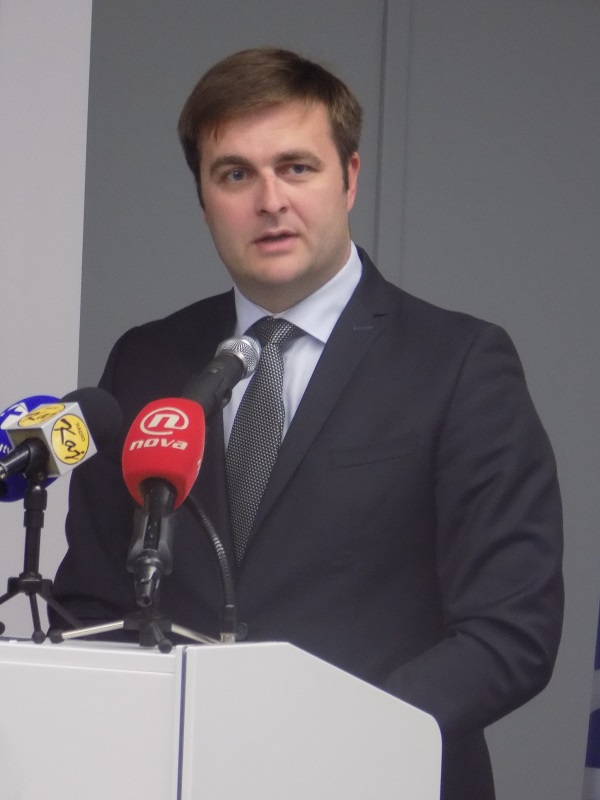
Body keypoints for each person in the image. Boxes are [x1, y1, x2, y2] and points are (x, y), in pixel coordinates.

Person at [51, 47, 563, 799]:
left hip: (378, 781)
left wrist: (324, 742)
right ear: (203, 200)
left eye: (296, 167)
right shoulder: (145, 361)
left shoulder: (458, 363)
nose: (270, 201)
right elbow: (93, 603)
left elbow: (510, 631)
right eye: (235, 174)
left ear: (349, 178)